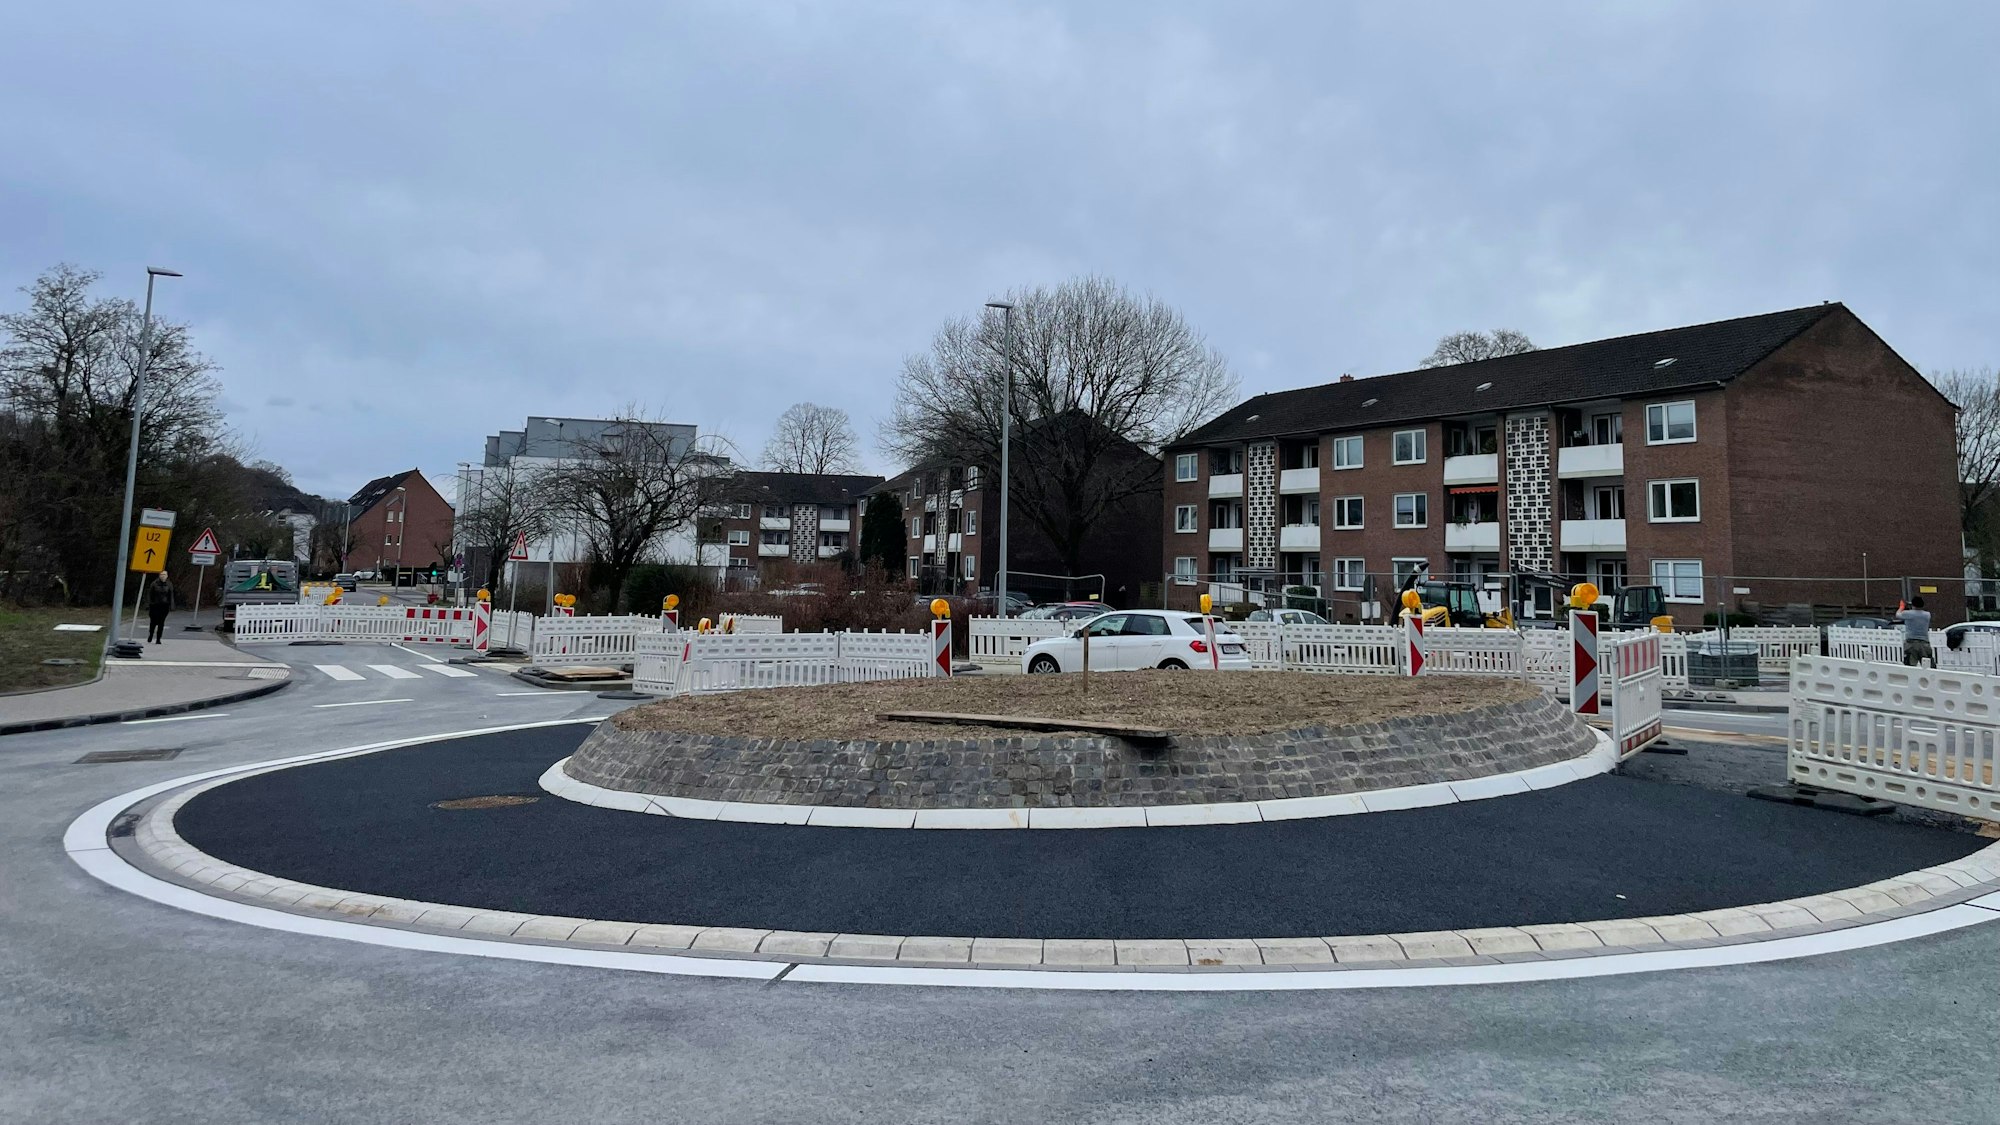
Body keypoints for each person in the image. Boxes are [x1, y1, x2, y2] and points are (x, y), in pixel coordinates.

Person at [1896, 597, 1933, 667]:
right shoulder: (1927, 615)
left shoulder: (1907, 614)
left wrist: (1901, 607)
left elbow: (1897, 615)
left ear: (1913, 605)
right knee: (1929, 666)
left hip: (1911, 643)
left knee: (1910, 666)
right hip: (1924, 643)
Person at [145, 577, 174, 644]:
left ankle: (158, 638)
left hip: (164, 606)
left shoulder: (169, 584)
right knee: (153, 622)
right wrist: (148, 604)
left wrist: (171, 606)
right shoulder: (154, 584)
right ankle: (151, 634)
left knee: (161, 623)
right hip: (154, 606)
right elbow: (150, 594)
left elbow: (171, 595)